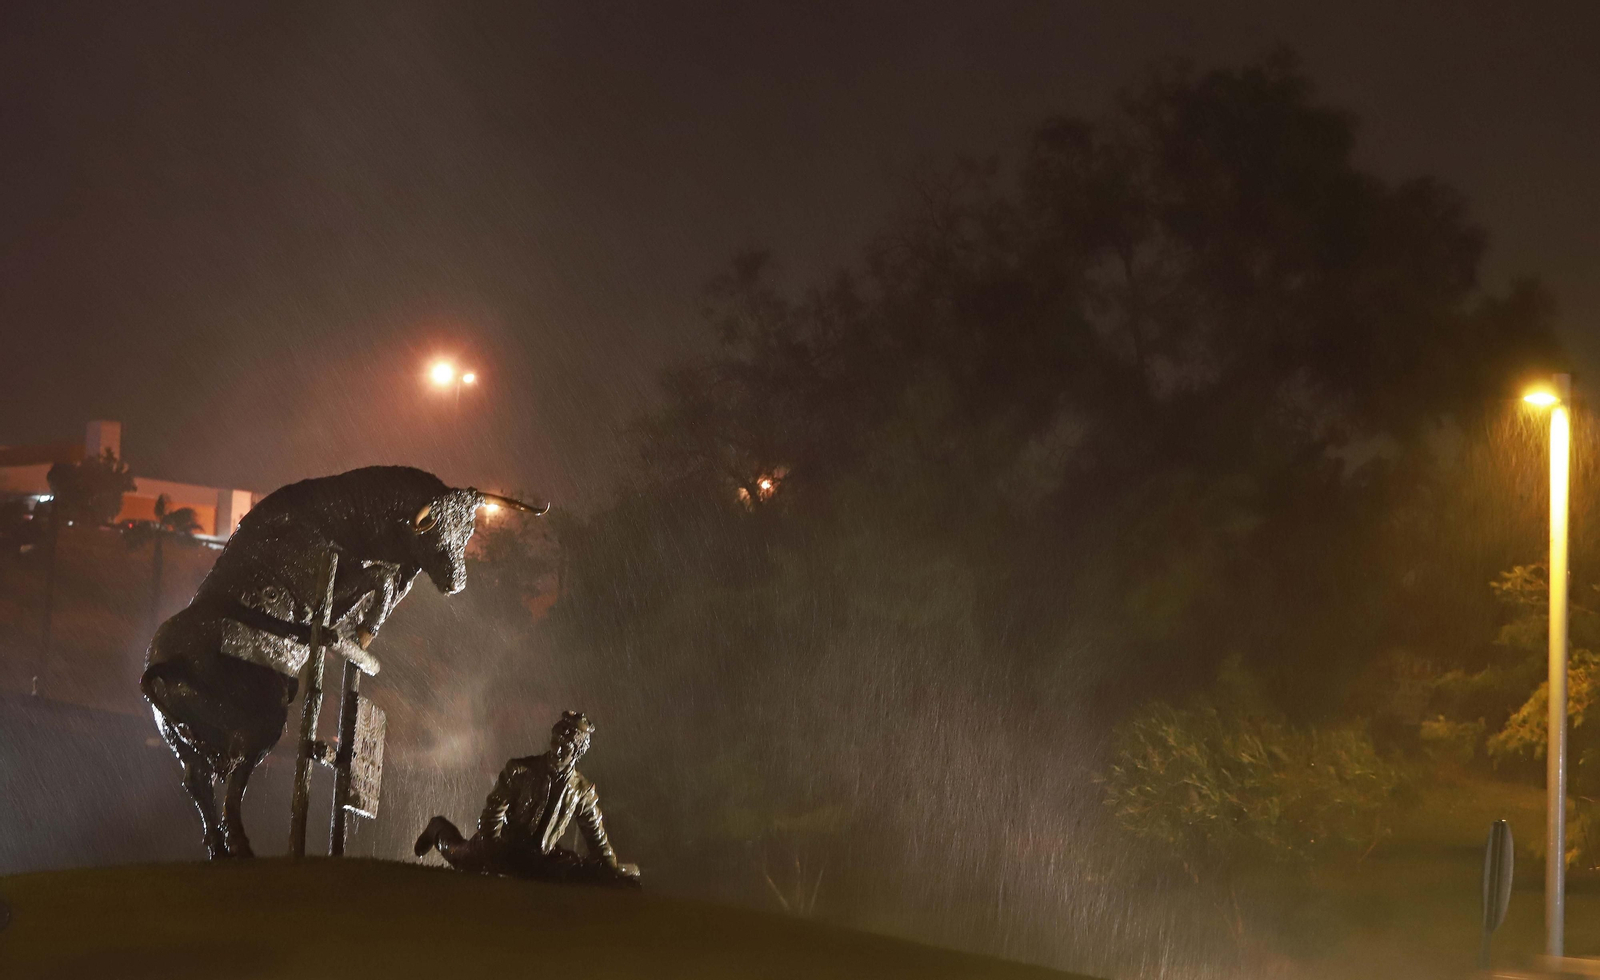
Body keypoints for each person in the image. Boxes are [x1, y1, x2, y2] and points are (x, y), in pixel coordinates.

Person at [414, 711, 640, 886]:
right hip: (504, 846)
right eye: (555, 742)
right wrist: (490, 845)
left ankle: (625, 873)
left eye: (565, 747)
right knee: (460, 857)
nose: (557, 750)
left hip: (541, 858)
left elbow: (596, 839)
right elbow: (493, 810)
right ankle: (438, 829)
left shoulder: (582, 790)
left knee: (586, 874)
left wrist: (611, 870)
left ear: (578, 751)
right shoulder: (520, 770)